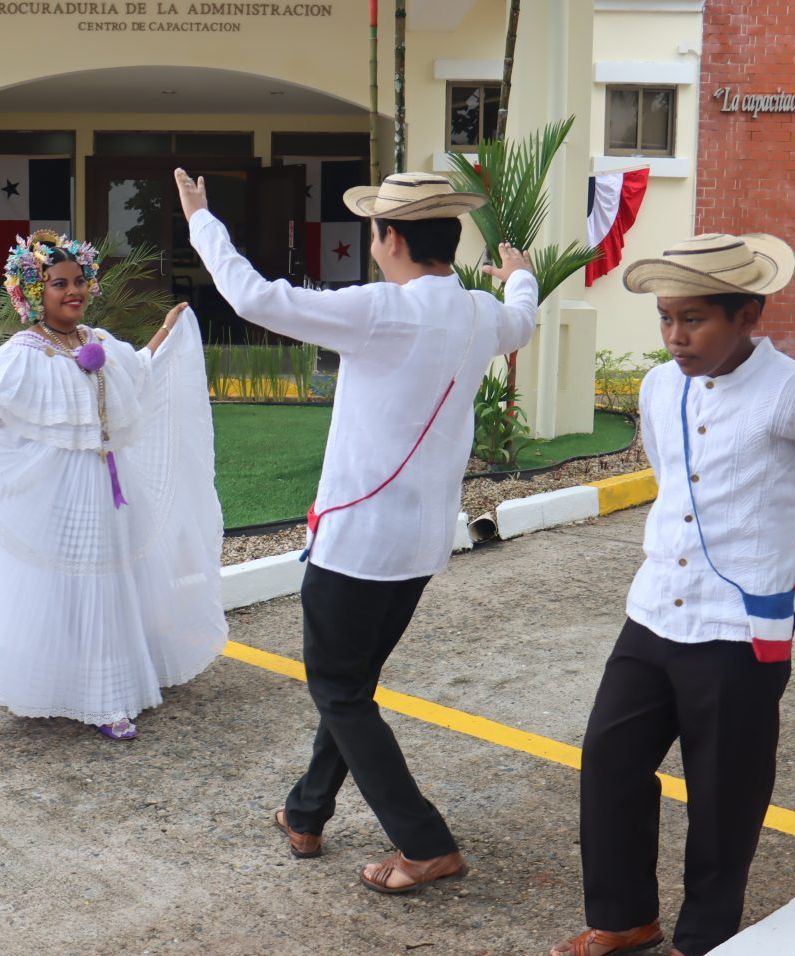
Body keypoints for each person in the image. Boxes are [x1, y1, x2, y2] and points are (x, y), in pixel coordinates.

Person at [548, 233, 795, 956]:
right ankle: (625, 917)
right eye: (665, 319)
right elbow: (672, 482)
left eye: (694, 320)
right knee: (610, 763)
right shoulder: (660, 386)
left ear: (747, 315)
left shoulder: (791, 392)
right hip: (655, 611)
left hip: (742, 626)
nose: (675, 337)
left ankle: (704, 942)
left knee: (724, 792)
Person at [175, 167, 539, 892]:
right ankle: (306, 812)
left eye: (374, 228)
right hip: (419, 545)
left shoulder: (381, 310)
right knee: (351, 686)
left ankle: (425, 843)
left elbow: (254, 296)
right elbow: (521, 318)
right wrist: (520, 274)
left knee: (339, 691)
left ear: (391, 237)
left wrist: (200, 220)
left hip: (359, 541)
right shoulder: (479, 312)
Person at [0, 230, 226, 741]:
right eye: (59, 284)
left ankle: (112, 687)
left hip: (109, 490)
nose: (73, 291)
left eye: (79, 281)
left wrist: (167, 332)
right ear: (35, 293)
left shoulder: (97, 341)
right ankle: (92, 697)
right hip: (62, 492)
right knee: (76, 588)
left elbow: (139, 372)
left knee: (111, 584)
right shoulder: (24, 353)